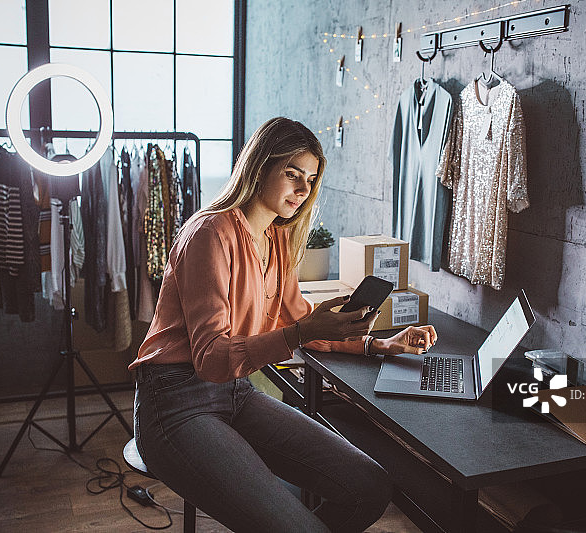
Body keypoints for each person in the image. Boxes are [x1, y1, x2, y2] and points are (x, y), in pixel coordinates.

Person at [130, 117, 437, 533]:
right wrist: (301, 333)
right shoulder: (209, 234)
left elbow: (302, 322)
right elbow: (211, 358)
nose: (303, 190)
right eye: (292, 174)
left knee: (370, 486)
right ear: (260, 167)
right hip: (175, 404)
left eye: (310, 179)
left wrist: (379, 346)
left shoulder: (275, 239)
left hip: (234, 392)